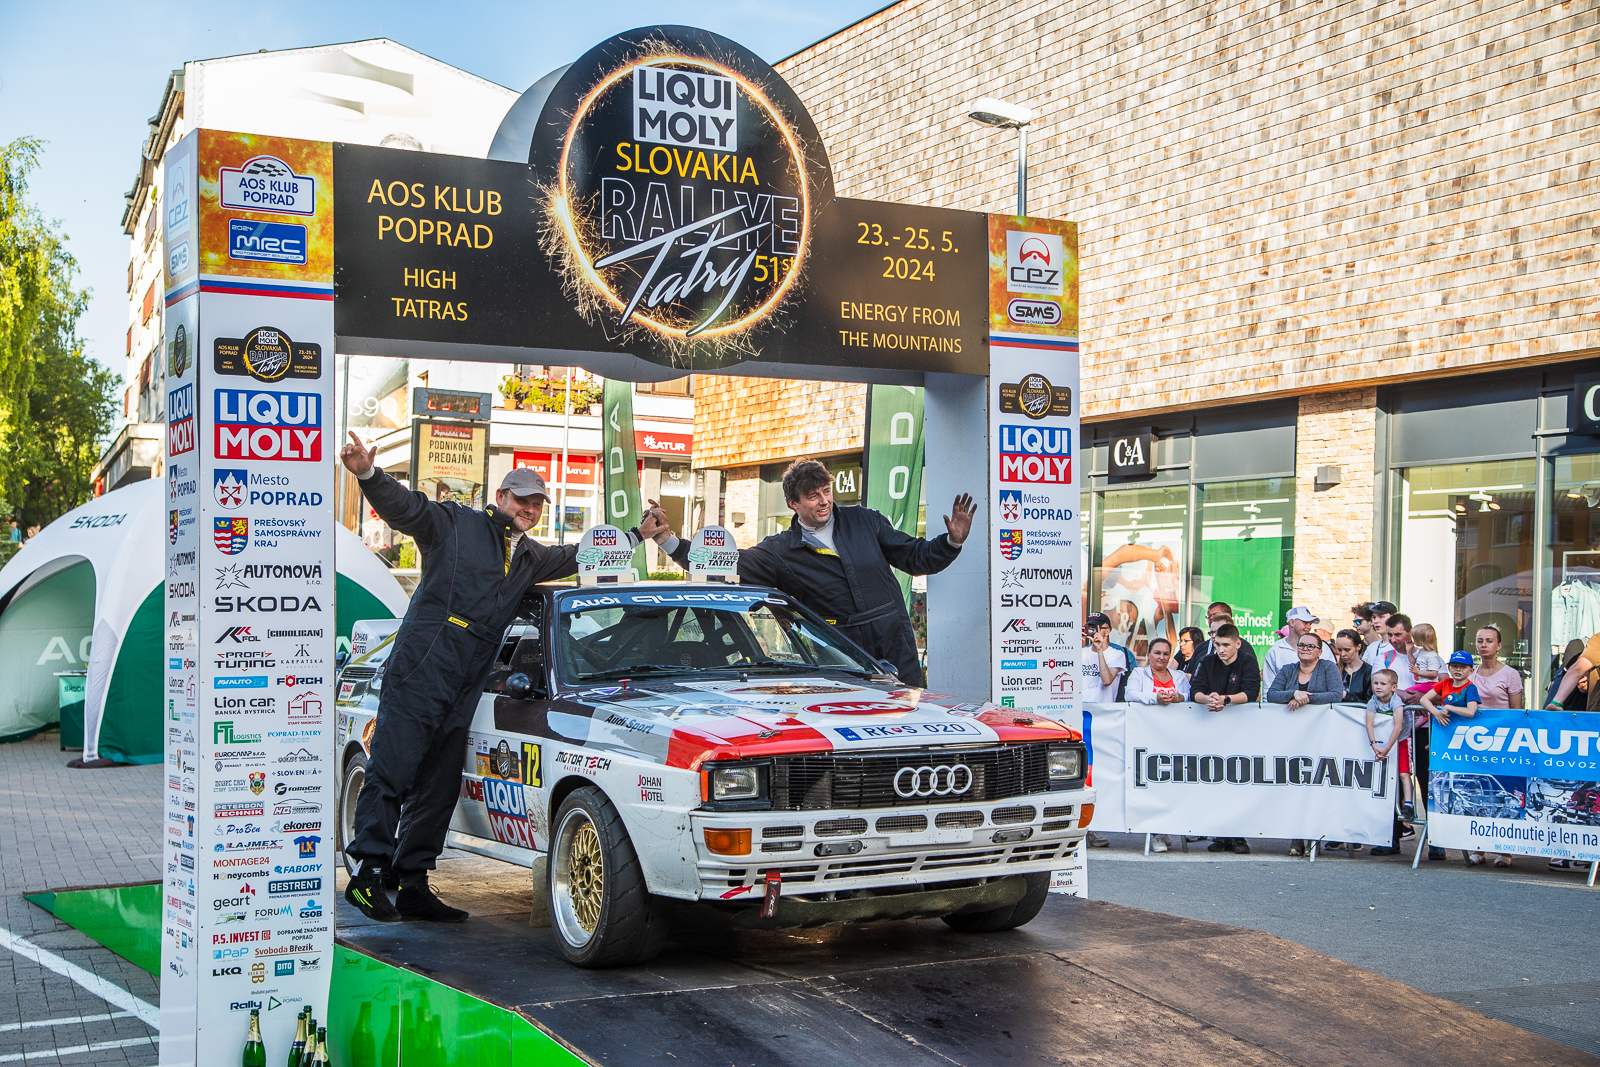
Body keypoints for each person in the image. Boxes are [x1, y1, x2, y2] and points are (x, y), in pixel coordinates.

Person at [337, 432, 669, 922]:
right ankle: (367, 877)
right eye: (522, 500)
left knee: (439, 782)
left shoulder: (531, 556)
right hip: (425, 660)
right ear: (501, 497)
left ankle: (412, 883)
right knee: (393, 767)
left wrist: (640, 535)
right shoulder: (455, 522)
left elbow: (580, 554)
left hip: (469, 674)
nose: (529, 509)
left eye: (537, 504)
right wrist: (367, 474)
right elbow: (405, 508)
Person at [665, 458, 971, 686]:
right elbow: (721, 563)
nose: (824, 501)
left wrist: (951, 542)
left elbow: (916, 557)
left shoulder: (864, 521)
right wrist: (667, 540)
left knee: (907, 718)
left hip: (893, 640)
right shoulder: (780, 550)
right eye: (813, 496)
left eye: (826, 491)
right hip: (839, 652)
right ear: (793, 503)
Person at [1191, 624, 1261, 856]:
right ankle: (1220, 834)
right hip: (1212, 728)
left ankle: (1238, 835)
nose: (1220, 649)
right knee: (1215, 780)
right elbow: (1196, 690)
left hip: (1241, 729)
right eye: (1217, 644)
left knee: (1238, 781)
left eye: (1225, 645)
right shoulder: (1208, 661)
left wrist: (1226, 700)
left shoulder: (1247, 661)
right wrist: (1209, 699)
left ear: (1237, 644)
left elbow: (1250, 692)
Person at [1364, 668, 1414, 857]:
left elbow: (1398, 727)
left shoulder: (1396, 702)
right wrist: (1374, 744)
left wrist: (1387, 748)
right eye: (1375, 683)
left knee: (1403, 773)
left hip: (1400, 740)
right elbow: (1369, 723)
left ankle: (1408, 803)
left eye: (1383, 684)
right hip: (1381, 741)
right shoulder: (1373, 701)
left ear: (1393, 687)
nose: (1378, 687)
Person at [1265, 632, 1342, 709]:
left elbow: (1336, 695)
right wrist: (1294, 694)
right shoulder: (1287, 669)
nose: (1305, 649)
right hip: (1291, 715)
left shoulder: (1329, 667)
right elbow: (1271, 695)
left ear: (1320, 652)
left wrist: (1304, 698)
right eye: (1301, 645)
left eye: (1311, 646)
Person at [1262, 606, 1336, 679]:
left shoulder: (1322, 647)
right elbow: (1269, 684)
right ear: (1292, 622)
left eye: (1310, 624)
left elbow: (1333, 677)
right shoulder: (1275, 651)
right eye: (1305, 622)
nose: (1309, 627)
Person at [1470, 624, 1524, 710]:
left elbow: (1516, 711)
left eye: (1489, 641)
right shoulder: (1470, 672)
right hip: (1472, 719)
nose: (1483, 645)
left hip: (1502, 719)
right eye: (1480, 641)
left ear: (1499, 646)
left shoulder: (1510, 674)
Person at [1126, 636, 1191, 705]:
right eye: (1157, 653)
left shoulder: (1180, 675)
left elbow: (1190, 695)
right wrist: (1155, 698)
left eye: (1166, 654)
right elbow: (1130, 695)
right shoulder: (1139, 673)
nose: (1162, 657)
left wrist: (1182, 697)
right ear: (1148, 655)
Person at [1082, 612, 1129, 705]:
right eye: (1090, 627)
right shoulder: (1081, 652)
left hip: (1104, 709)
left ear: (1107, 631)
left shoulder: (1117, 654)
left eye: (1097, 628)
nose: (1093, 631)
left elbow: (1107, 681)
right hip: (1081, 707)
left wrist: (1099, 650)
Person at [1334, 629, 1374, 703]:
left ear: (1358, 647)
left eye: (1347, 650)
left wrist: (1346, 696)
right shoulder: (1333, 670)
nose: (1343, 654)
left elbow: (1371, 702)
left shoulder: (1369, 672)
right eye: (1339, 650)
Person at [1359, 600, 1399, 667]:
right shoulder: (1372, 647)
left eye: (1381, 617)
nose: (1375, 621)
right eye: (1374, 617)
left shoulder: (1400, 647)